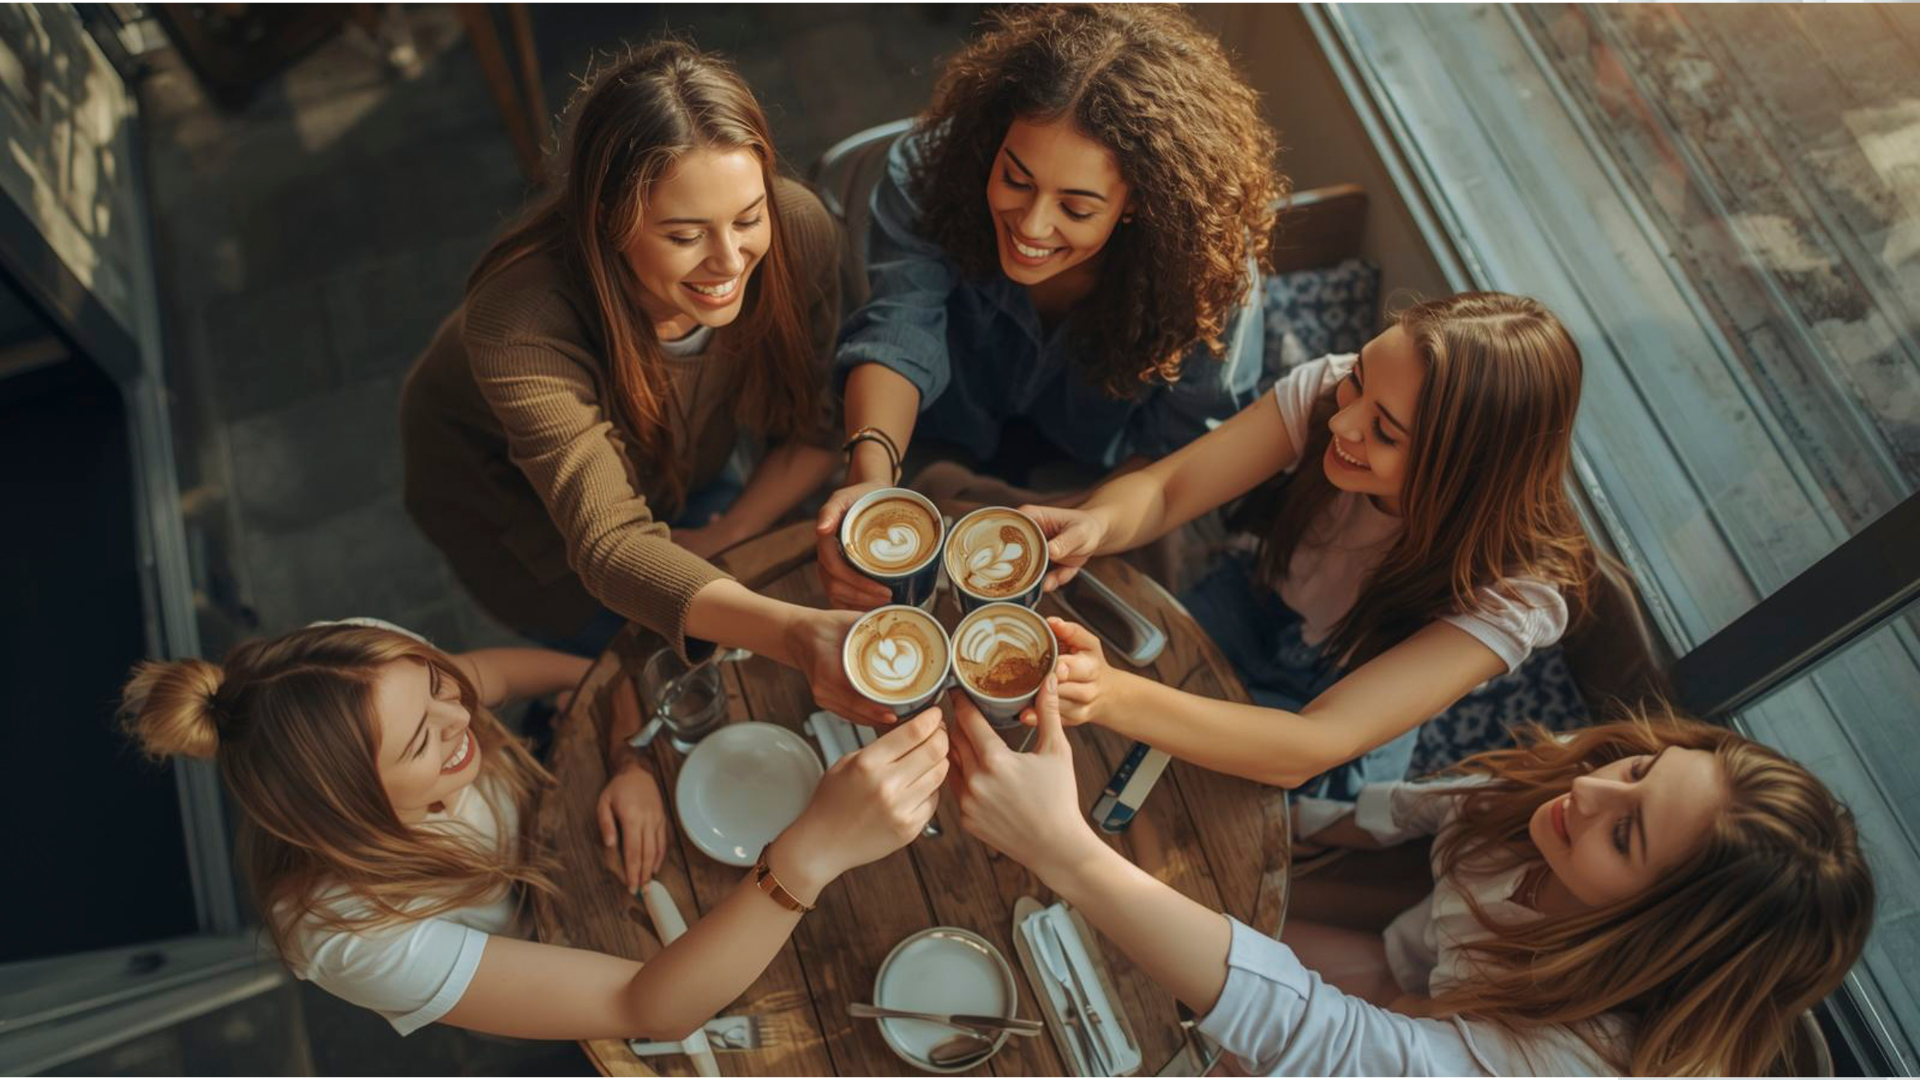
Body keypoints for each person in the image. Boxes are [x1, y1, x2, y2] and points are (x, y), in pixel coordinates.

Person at [947, 676, 1874, 1075]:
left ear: (1656, 940)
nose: (1589, 791)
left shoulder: (1575, 1063)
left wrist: (1065, 852)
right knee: (1161, 946)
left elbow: (1322, 1043)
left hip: (1432, 1031)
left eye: (1626, 838)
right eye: (1638, 771)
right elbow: (1419, 810)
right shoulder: (1574, 788)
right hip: (1427, 981)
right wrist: (1282, 835)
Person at [120, 619, 947, 1039]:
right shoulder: (349, 934)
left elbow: (496, 675)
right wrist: (811, 853)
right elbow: (645, 1004)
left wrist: (624, 752)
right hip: (539, 949)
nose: (460, 717)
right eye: (423, 740)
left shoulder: (355, 670)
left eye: (435, 686)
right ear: (355, 808)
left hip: (570, 820)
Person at [399, 41, 889, 729]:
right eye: (686, 234)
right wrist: (795, 635)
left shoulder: (797, 227)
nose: (729, 261)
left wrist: (729, 530)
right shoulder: (519, 324)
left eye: (748, 218)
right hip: (522, 521)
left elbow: (818, 427)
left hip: (682, 457)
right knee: (642, 669)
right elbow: (609, 546)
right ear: (607, 219)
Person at [1025, 292, 1597, 823]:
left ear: (1466, 472)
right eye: (1358, 380)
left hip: (1340, 691)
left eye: (1386, 432)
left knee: (1181, 817)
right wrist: (1097, 521)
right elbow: (1170, 489)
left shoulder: (1515, 591)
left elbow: (1315, 742)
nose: (1342, 421)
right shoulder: (1330, 391)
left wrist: (1113, 693)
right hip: (1253, 600)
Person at [814, 3, 1285, 609]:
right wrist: (872, 482)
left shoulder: (1206, 273)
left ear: (1141, 202)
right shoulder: (929, 175)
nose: (1032, 226)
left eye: (1078, 208)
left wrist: (1094, 519)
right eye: (1015, 179)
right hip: (934, 436)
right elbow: (899, 327)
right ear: (994, 141)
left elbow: (1185, 440)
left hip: (1096, 479)